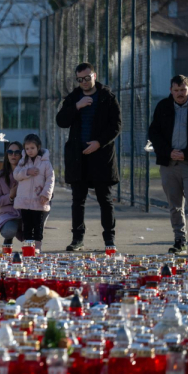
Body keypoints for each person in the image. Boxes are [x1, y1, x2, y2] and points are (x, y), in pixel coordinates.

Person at [56, 62, 121, 251]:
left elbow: (116, 125)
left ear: (94, 75)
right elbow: (61, 121)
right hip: (79, 157)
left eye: (87, 78)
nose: (84, 82)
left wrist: (99, 143)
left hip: (101, 157)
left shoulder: (107, 97)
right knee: (78, 200)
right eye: (80, 79)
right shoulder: (73, 98)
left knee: (105, 199)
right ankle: (78, 239)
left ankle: (109, 240)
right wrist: (77, 106)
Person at [148, 75, 188, 256]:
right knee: (174, 205)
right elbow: (154, 132)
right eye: (176, 90)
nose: (179, 94)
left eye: (183, 90)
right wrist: (168, 151)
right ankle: (179, 241)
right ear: (171, 91)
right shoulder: (163, 107)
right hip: (169, 164)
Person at [13, 134, 55, 252]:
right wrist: (27, 171)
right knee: (26, 225)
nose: (29, 151)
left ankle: (37, 247)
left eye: (32, 148)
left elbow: (50, 179)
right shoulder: (23, 162)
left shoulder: (45, 163)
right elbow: (16, 175)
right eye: (27, 149)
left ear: (38, 147)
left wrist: (46, 194)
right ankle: (28, 247)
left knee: (38, 225)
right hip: (24, 200)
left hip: (39, 199)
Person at [0, 141, 24, 245]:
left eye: (17, 152)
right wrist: (10, 196)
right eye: (10, 152)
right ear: (7, 155)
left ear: (22, 154)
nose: (13, 155)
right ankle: (8, 239)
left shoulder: (27, 173)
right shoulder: (0, 177)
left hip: (26, 214)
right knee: (9, 231)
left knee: (34, 231)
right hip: (9, 214)